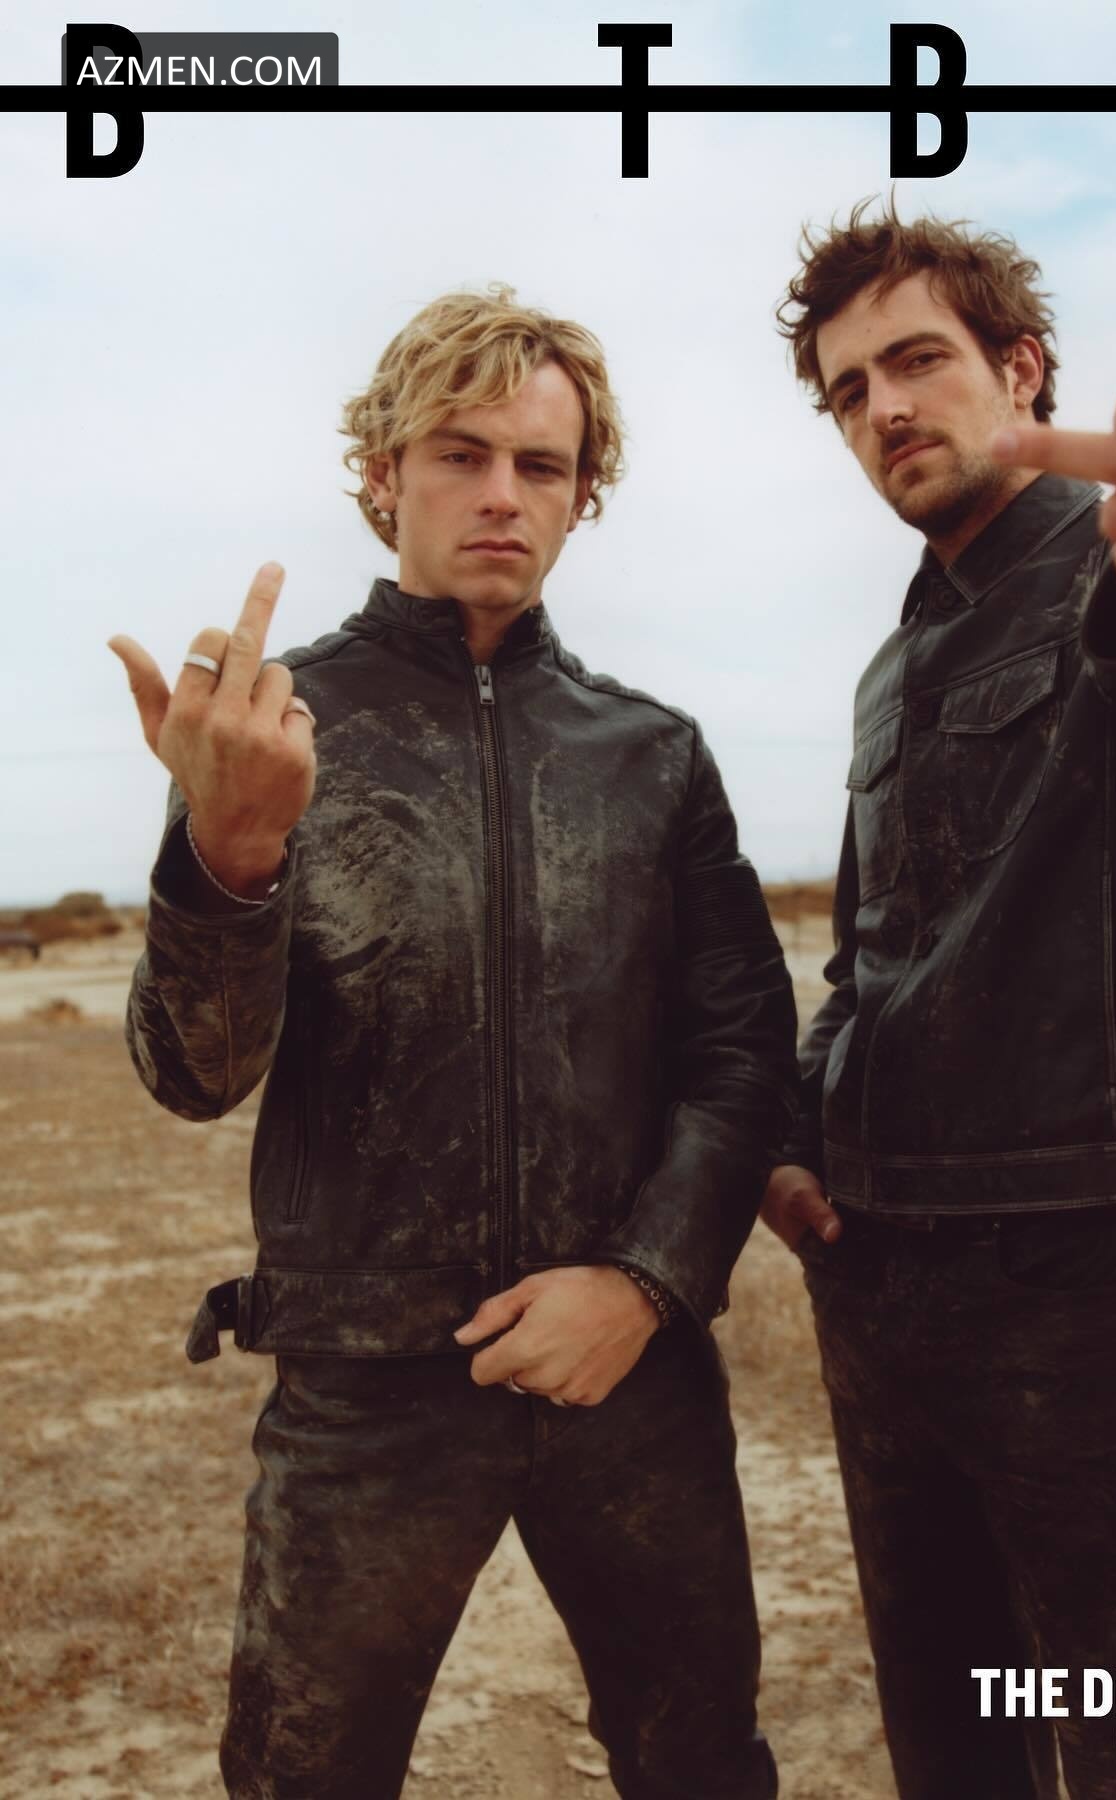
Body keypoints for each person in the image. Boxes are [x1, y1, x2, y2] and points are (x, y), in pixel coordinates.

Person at [111, 286, 795, 1800]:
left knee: (701, 1766)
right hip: (363, 1384)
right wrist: (228, 858)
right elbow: (193, 1075)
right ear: (383, 474)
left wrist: (646, 1281)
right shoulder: (275, 734)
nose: (501, 494)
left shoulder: (651, 754)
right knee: (303, 1775)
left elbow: (745, 1053)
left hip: (627, 1376)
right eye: (459, 453)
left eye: (541, 465)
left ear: (582, 494)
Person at [762, 200, 1116, 1799]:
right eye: (848, 390)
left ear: (1023, 368)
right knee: (956, 1758)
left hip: (1086, 1287)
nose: (885, 409)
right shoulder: (894, 664)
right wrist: (798, 1135)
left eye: (917, 361)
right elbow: (866, 956)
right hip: (880, 1286)